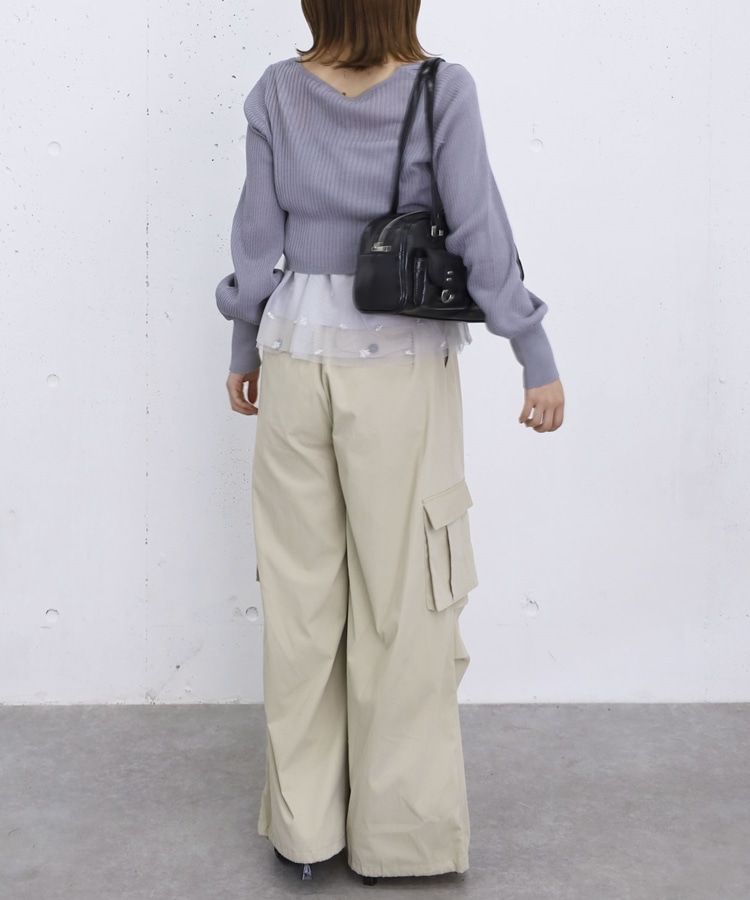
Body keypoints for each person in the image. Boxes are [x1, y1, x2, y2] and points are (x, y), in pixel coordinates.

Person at [215, 0, 565, 884]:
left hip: (294, 356)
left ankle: (304, 833)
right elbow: (479, 229)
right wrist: (532, 350)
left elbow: (256, 240)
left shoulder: (276, 91)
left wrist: (243, 345)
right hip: (398, 364)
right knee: (407, 601)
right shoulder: (442, 89)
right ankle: (398, 840)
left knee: (300, 601)